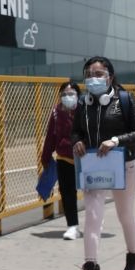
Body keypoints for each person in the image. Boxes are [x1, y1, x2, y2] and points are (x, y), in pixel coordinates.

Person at [70, 56, 135, 270]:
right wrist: (78, 142)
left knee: (125, 215)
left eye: (98, 74)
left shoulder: (125, 100)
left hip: (124, 165)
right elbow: (75, 132)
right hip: (94, 167)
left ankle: (134, 256)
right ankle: (91, 268)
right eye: (89, 75)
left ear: (110, 77)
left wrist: (116, 141)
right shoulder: (83, 104)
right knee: (92, 217)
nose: (93, 79)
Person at [40, 81, 81, 239]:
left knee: (92, 193)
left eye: (71, 94)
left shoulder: (84, 110)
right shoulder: (56, 112)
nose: (67, 97)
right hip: (64, 158)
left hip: (83, 158)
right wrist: (46, 157)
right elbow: (51, 136)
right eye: (64, 94)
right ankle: (72, 226)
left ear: (78, 95)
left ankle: (94, 222)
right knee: (67, 193)